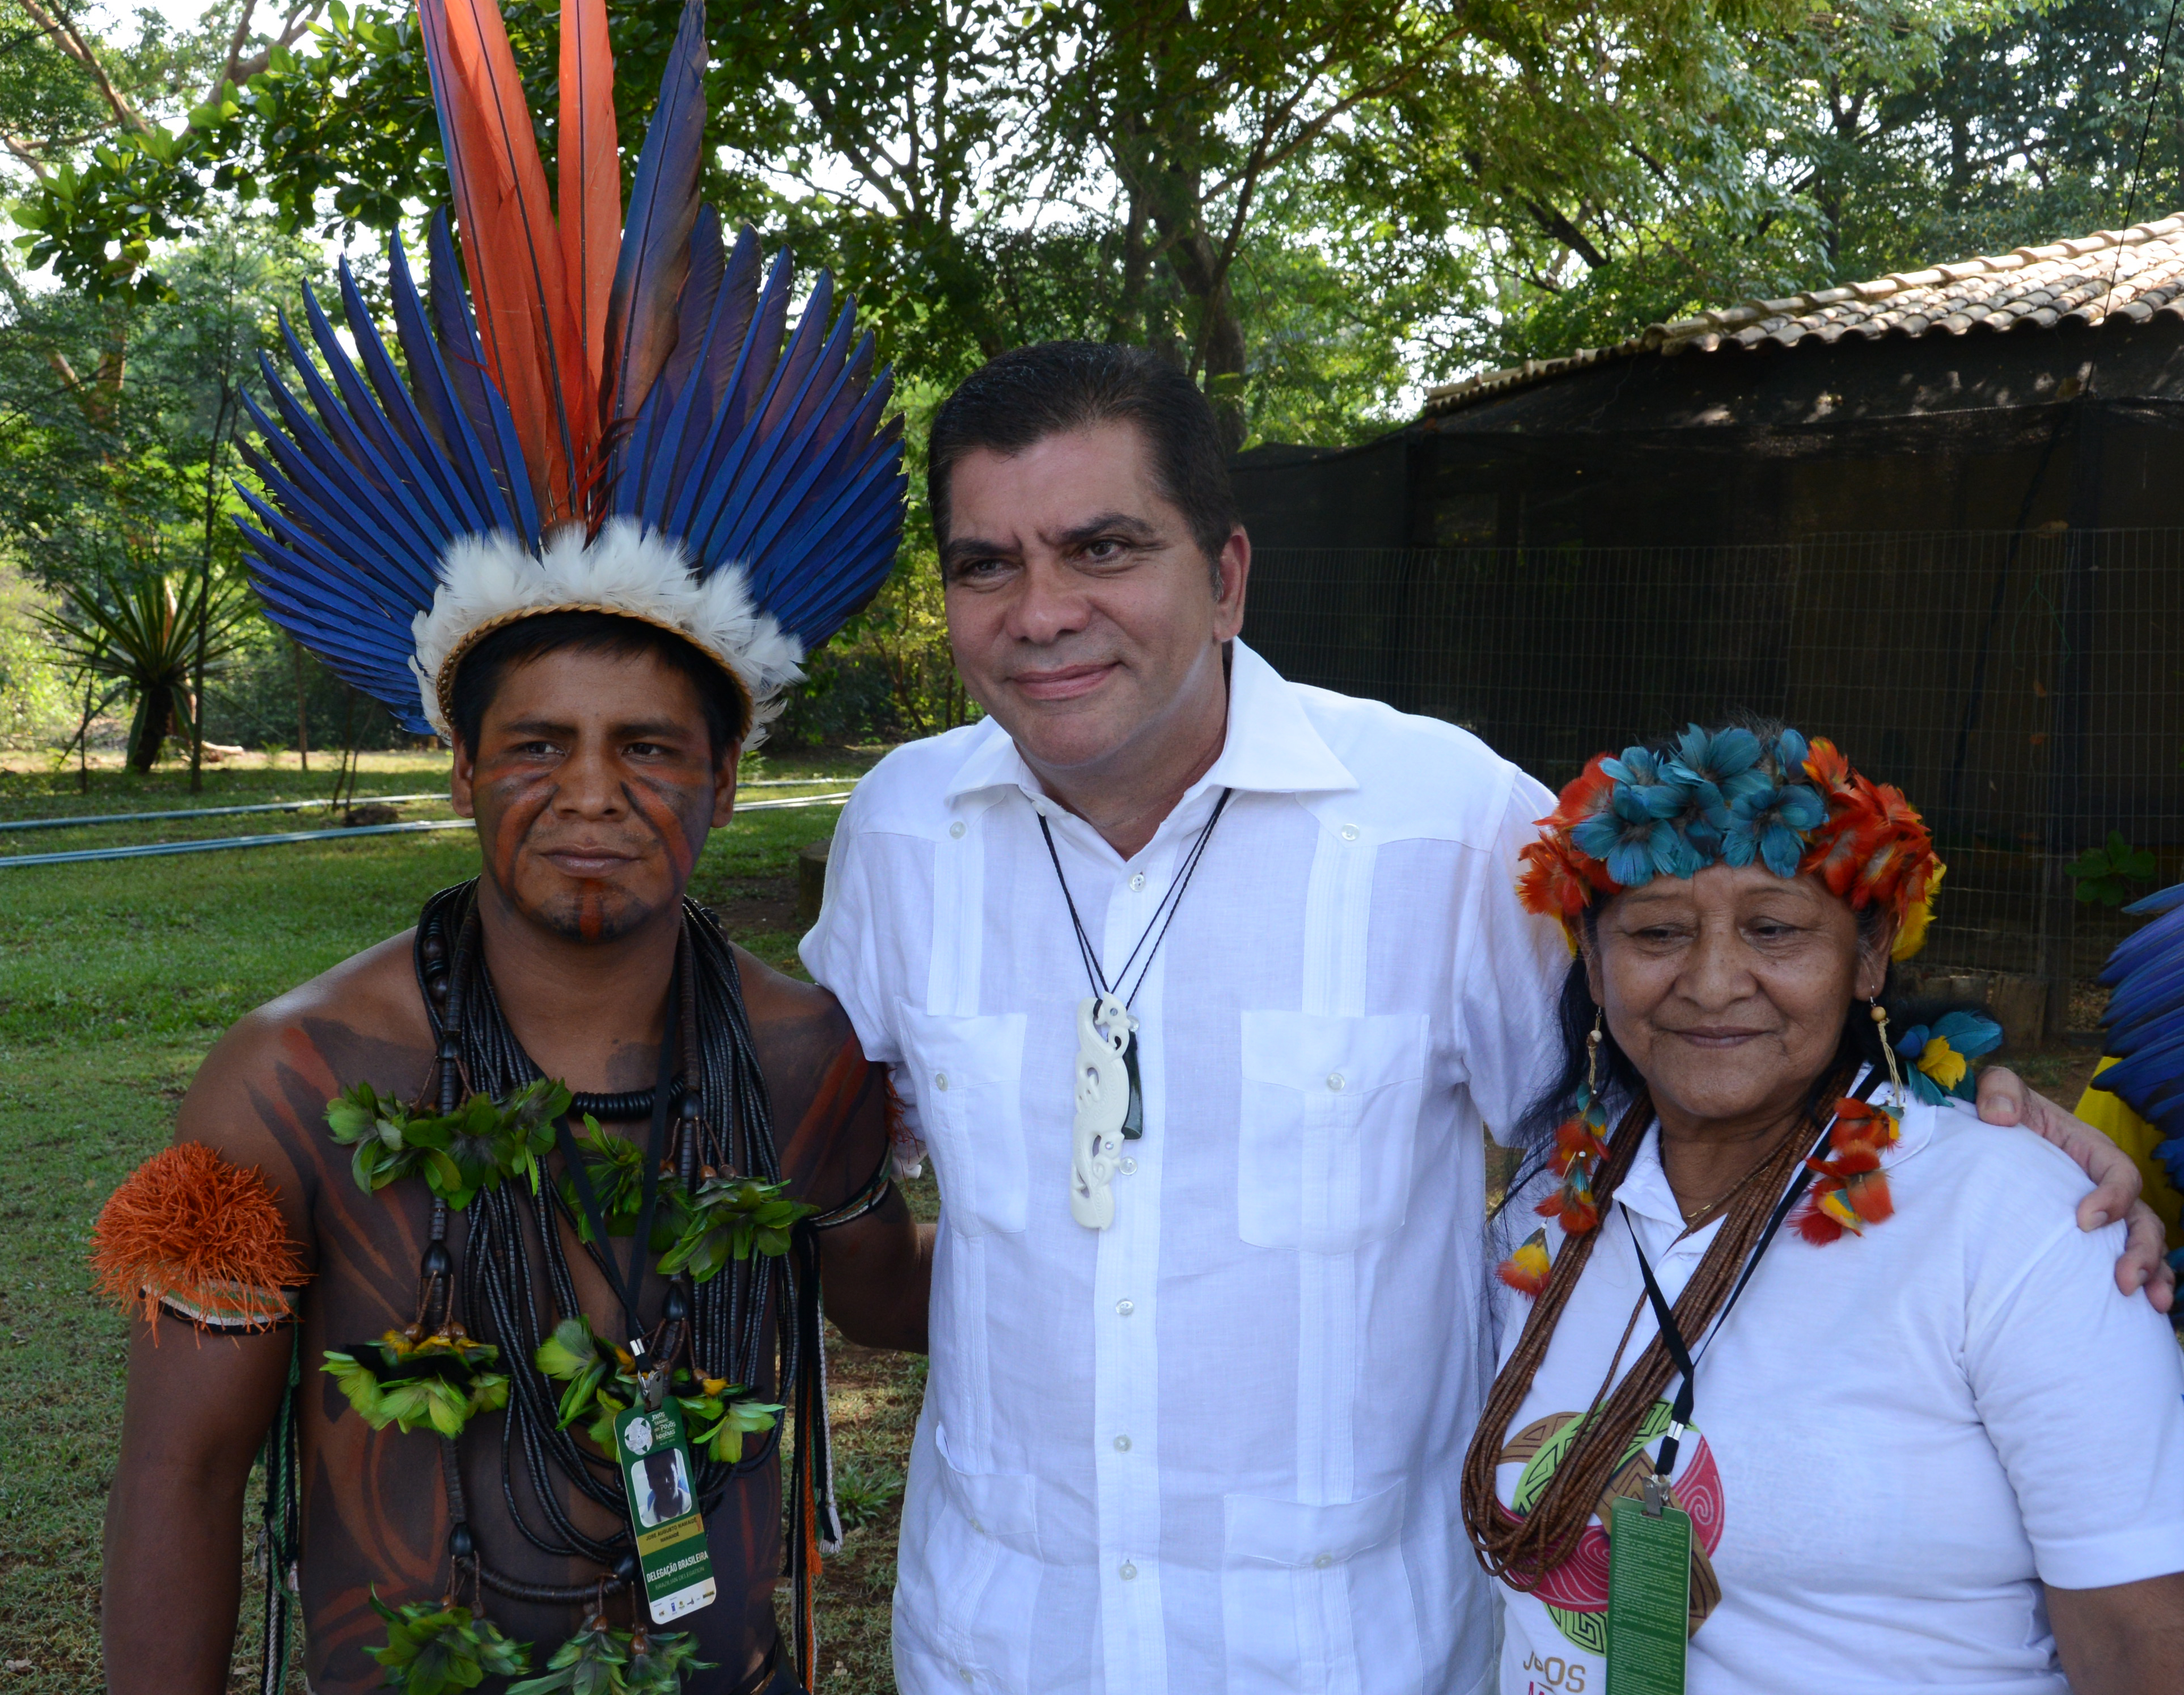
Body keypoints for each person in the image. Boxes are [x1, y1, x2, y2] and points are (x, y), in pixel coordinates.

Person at [799, 338, 2172, 1694]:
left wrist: (1984, 1122)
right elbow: (854, 1170)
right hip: (994, 1642)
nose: (1041, 610)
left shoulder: (1447, 824)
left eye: (1103, 549)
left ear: (1224, 577)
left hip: (1352, 1662)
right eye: (988, 563)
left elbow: (1693, 1047)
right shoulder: (901, 833)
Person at [92, 3, 924, 1690]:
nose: (594, 791)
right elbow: (177, 1476)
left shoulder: (797, 1049)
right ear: (465, 770)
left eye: (651, 748)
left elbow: (902, 1314)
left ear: (722, 777)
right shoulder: (291, 1072)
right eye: (537, 744)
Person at [1464, 724, 2184, 1694]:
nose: (1713, 983)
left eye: (1775, 929)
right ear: (1592, 964)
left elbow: (2144, 1647)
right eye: (1656, 931)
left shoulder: (2015, 1223)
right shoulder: (1543, 1217)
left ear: (1870, 955)